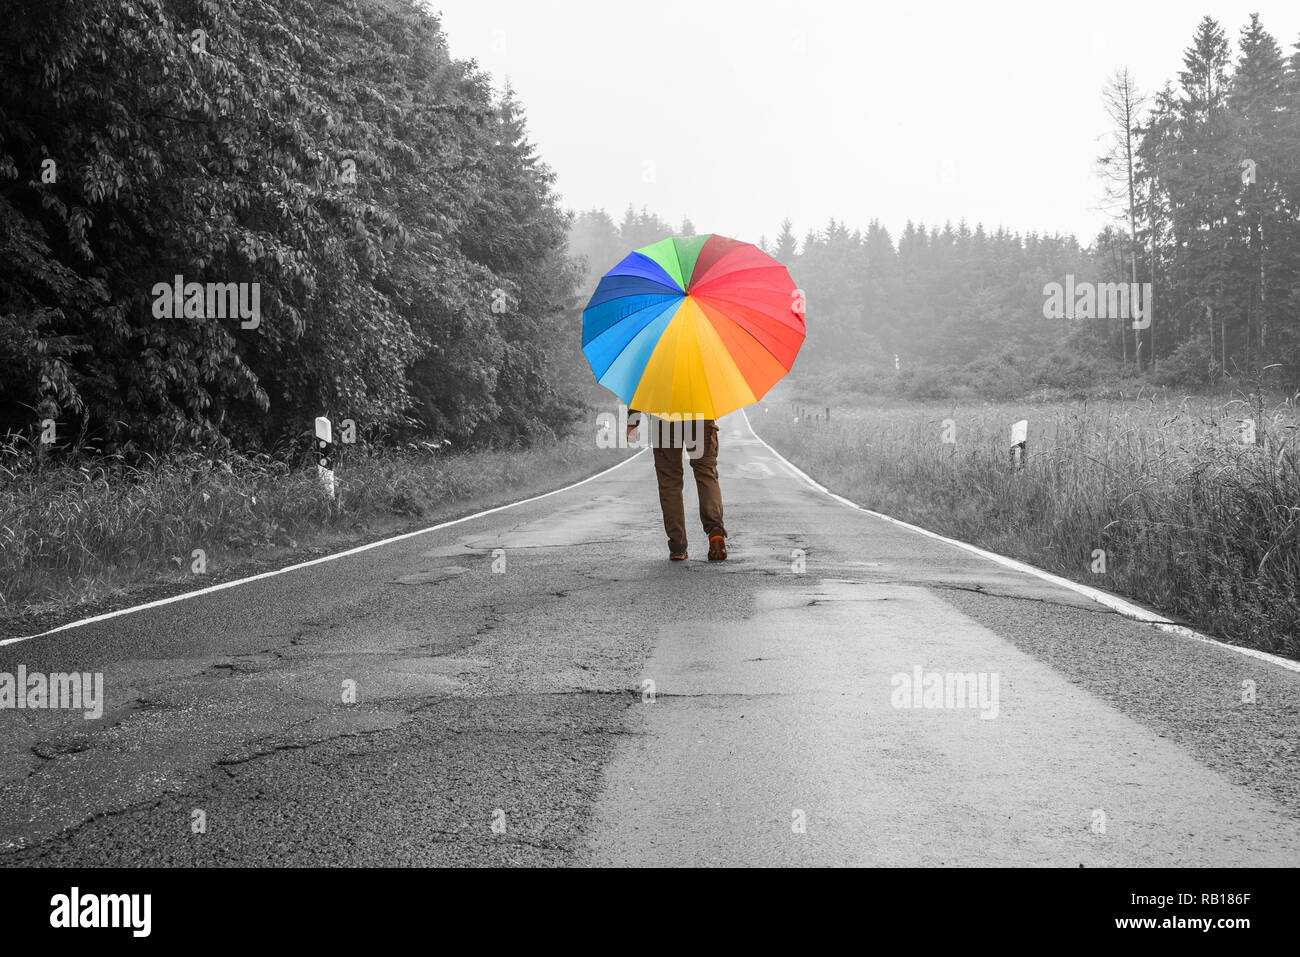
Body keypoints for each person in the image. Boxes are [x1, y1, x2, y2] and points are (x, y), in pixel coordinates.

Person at [626, 409, 728, 562]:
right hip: (700, 414)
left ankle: (678, 546)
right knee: (706, 473)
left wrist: (633, 423)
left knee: (669, 481)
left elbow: (639, 387)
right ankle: (715, 530)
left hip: (664, 417)